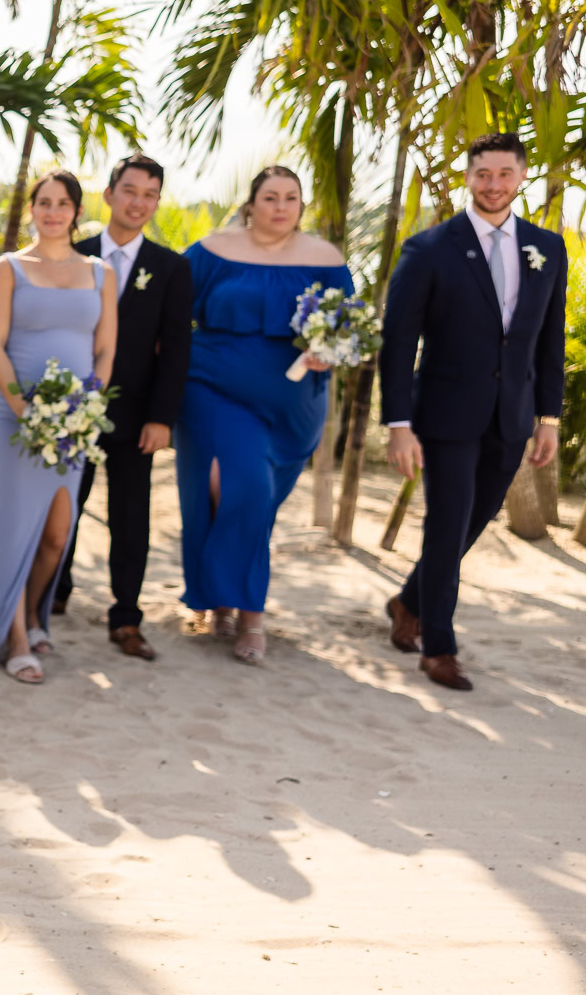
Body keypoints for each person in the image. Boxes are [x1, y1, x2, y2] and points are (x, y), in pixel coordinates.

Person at [380, 132, 568, 691]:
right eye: (483, 173)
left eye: (504, 174)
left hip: (511, 417)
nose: (493, 185)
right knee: (446, 523)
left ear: (521, 177)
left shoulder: (546, 248)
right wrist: (398, 424)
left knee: (473, 522)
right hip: (444, 414)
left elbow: (548, 341)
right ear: (468, 176)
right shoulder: (429, 248)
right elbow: (397, 342)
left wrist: (548, 417)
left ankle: (407, 600)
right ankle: (439, 646)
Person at [175, 166, 350, 665]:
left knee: (255, 503)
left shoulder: (326, 258)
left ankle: (220, 599)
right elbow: (171, 310)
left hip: (294, 404)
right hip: (212, 388)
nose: (280, 206)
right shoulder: (212, 250)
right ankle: (251, 614)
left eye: (291, 198)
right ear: (250, 203)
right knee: (241, 488)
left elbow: (347, 326)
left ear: (301, 206)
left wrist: (330, 350)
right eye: (270, 197)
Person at [0, 171, 116, 682]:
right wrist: (26, 409)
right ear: (33, 209)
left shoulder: (100, 272)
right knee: (11, 529)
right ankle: (16, 639)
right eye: (44, 203)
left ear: (76, 211)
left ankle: (30, 611)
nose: (53, 211)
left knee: (56, 533)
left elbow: (106, 350)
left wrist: (84, 410)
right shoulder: (8, 268)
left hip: (72, 423)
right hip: (14, 417)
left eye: (63, 203)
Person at [52, 155, 192, 658]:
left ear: (156, 203)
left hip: (137, 416)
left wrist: (162, 418)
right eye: (130, 190)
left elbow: (177, 349)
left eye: (150, 194)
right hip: (69, 411)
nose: (138, 202)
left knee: (131, 515)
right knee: (64, 505)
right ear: (109, 194)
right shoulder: (72, 253)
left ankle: (127, 617)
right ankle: (55, 593)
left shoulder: (172, 268)